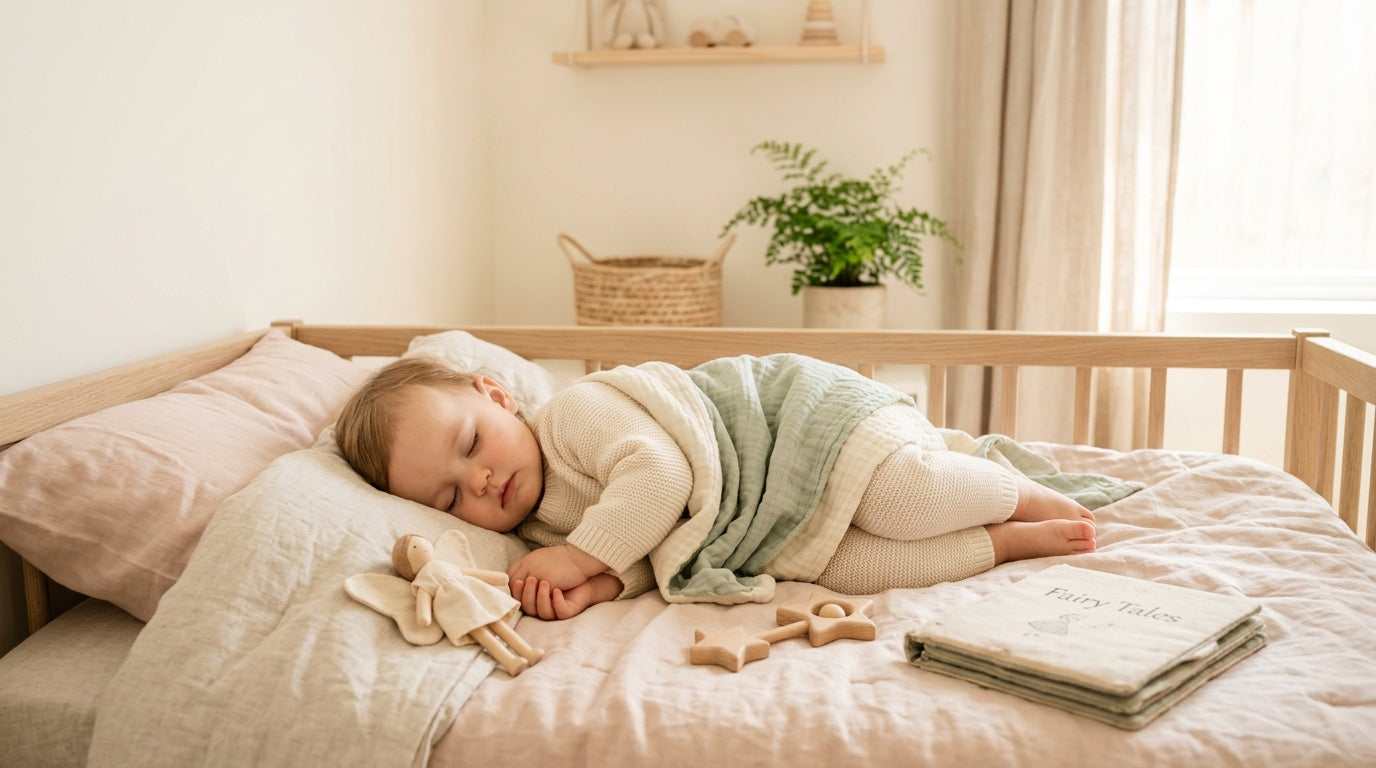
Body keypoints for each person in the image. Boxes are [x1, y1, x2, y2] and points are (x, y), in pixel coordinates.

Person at [335, 354, 1099, 621]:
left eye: (471, 444)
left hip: (795, 428)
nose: (479, 481)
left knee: (900, 499)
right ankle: (1000, 543)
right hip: (763, 518)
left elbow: (659, 476)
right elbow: (658, 549)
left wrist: (579, 557)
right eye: (449, 500)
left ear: (499, 397)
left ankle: (1010, 490)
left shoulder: (573, 416)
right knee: (854, 569)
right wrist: (599, 585)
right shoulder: (535, 527)